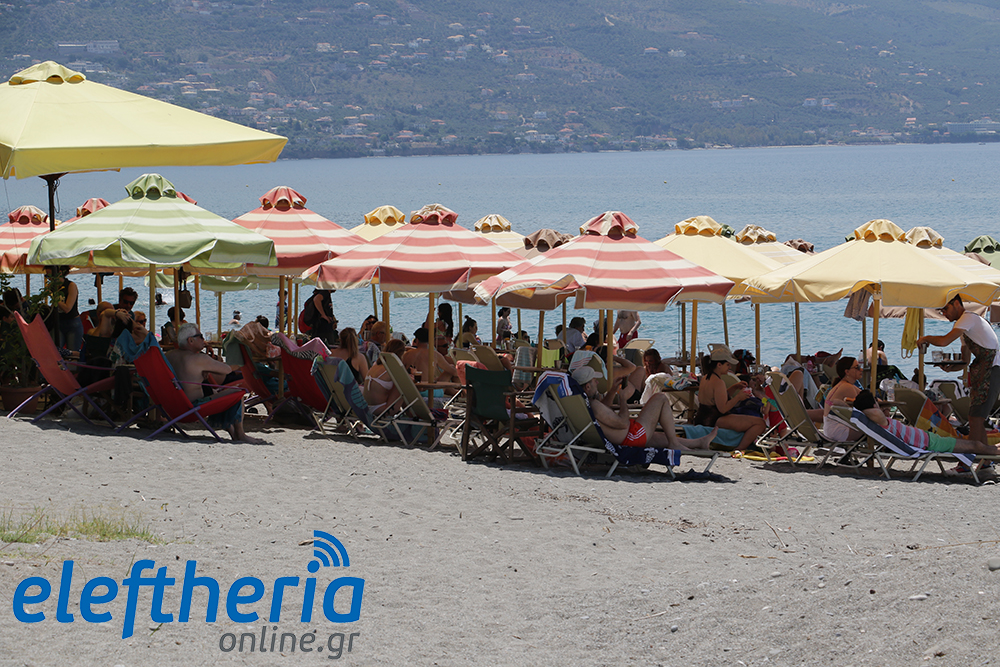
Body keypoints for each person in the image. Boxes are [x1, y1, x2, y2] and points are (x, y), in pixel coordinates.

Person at [917, 295, 1000, 449]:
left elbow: (944, 341)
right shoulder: (964, 328)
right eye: (941, 311)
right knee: (975, 418)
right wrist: (950, 368)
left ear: (956, 303)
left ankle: (973, 455)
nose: (944, 313)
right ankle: (984, 458)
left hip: (991, 370)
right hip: (982, 372)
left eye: (945, 309)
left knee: (976, 418)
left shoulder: (968, 318)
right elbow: (965, 361)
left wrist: (925, 338)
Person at [574, 366, 717, 450]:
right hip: (631, 438)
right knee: (660, 398)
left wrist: (612, 391)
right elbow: (622, 423)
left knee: (659, 436)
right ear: (587, 387)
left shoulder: (583, 405)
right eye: (594, 381)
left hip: (628, 436)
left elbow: (604, 411)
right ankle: (674, 443)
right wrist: (623, 399)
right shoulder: (594, 405)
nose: (597, 383)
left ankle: (699, 442)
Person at [166, 323, 260, 443]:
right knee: (238, 392)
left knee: (216, 392)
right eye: (200, 336)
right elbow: (227, 369)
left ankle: (232, 431)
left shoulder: (169, 355)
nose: (203, 339)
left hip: (173, 407)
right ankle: (240, 435)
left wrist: (204, 370)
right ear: (190, 340)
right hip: (193, 407)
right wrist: (245, 359)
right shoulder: (198, 359)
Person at [853, 389, 1000, 457]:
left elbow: (870, 410)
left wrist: (867, 404)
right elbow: (873, 411)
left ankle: (995, 448)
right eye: (876, 402)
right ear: (873, 406)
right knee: (975, 445)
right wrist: (870, 404)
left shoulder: (881, 423)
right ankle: (995, 450)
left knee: (974, 444)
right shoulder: (880, 421)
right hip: (931, 443)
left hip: (930, 439)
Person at [694, 345, 766, 450]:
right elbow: (723, 409)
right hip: (714, 419)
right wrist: (738, 397)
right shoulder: (719, 382)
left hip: (702, 417)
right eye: (727, 365)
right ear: (719, 365)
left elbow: (717, 397)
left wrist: (734, 387)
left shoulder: (706, 377)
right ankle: (739, 449)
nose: (730, 367)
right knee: (760, 423)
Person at [822, 356, 864, 441]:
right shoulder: (847, 387)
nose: (861, 369)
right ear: (847, 372)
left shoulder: (845, 385)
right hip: (839, 432)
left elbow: (865, 396)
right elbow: (863, 407)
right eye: (857, 367)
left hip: (831, 430)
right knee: (873, 426)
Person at [364, 338, 406, 415]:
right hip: (382, 410)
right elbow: (406, 382)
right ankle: (411, 413)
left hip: (367, 407)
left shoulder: (376, 365)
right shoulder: (392, 368)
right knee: (403, 386)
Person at [51, 267, 83, 351]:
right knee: (55, 351)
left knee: (72, 352)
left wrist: (54, 298)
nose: (49, 278)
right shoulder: (53, 287)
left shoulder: (70, 286)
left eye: (51, 275)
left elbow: (67, 308)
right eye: (47, 276)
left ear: (60, 273)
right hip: (58, 322)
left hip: (72, 323)